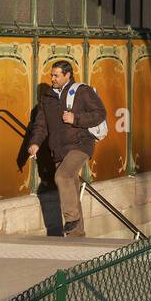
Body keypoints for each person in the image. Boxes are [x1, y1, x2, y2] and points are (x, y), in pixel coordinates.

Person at [27, 61, 107, 238]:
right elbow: (41, 125)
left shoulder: (81, 91)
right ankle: (77, 235)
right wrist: (35, 143)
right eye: (52, 75)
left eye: (56, 75)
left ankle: (70, 219)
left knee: (62, 176)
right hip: (59, 150)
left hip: (80, 145)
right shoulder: (47, 98)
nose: (52, 79)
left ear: (67, 75)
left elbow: (100, 113)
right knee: (71, 186)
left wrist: (75, 119)